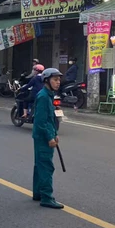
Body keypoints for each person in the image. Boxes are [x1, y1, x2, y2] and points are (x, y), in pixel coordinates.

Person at [32, 68, 64, 209]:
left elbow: (50, 119)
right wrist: (50, 137)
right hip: (43, 137)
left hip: (45, 135)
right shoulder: (44, 97)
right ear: (46, 81)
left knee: (40, 165)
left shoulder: (49, 95)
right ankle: (46, 197)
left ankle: (38, 192)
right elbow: (40, 122)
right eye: (55, 80)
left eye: (59, 80)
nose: (58, 82)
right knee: (46, 166)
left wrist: (54, 133)